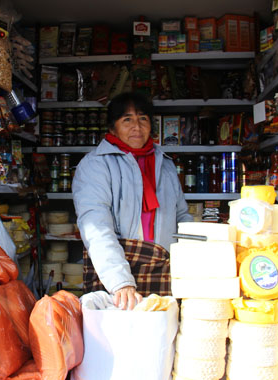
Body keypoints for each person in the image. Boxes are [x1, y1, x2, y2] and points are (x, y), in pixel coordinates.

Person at [72, 92, 192, 310]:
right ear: (112, 127)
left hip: (162, 270)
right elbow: (96, 226)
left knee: (161, 334)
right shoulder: (96, 165)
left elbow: (182, 217)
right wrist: (120, 282)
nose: (137, 126)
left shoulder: (164, 165)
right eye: (127, 119)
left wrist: (194, 264)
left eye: (143, 119)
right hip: (115, 277)